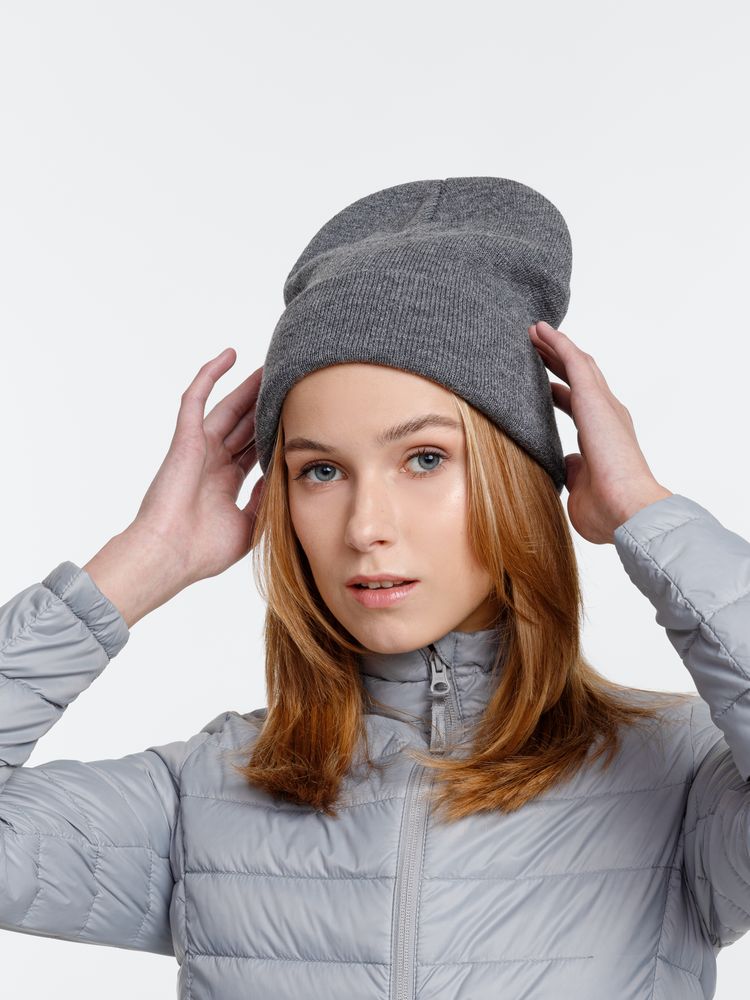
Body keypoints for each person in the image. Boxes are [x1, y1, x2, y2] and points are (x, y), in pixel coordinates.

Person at [1, 177, 748, 1000]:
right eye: (320, 471)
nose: (365, 526)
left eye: (425, 458)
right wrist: (146, 558)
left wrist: (647, 512)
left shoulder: (679, 782)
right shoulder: (205, 795)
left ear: (514, 476)